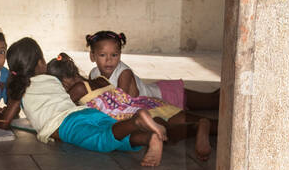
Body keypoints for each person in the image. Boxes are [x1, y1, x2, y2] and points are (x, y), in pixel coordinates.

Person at [0, 38, 165, 166]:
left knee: (101, 140)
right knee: (117, 139)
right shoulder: (51, 79)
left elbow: (4, 123)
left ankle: (136, 120)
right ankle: (149, 138)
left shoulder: (20, 90)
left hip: (66, 125)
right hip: (84, 112)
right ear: (41, 63)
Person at [48, 52, 217, 162]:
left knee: (166, 132)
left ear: (62, 82)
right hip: (144, 103)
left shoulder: (77, 89)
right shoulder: (99, 79)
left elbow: (64, 110)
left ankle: (197, 127)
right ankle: (202, 124)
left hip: (129, 113)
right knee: (178, 120)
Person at [85, 30, 221, 114]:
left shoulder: (124, 73)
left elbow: (121, 101)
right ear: (93, 56)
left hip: (165, 96)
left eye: (114, 55)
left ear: (120, 55)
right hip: (154, 99)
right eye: (103, 55)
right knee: (211, 102)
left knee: (213, 101)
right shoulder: (93, 74)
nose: (109, 60)